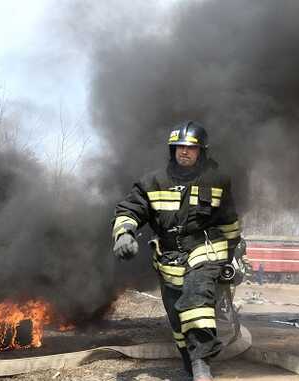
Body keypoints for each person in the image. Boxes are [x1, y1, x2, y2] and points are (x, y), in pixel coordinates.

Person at [112, 121, 242, 381]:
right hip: (168, 257)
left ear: (201, 152)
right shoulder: (153, 182)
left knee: (195, 301)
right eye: (179, 147)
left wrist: (231, 259)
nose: (184, 152)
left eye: (190, 148)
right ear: (172, 150)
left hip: (205, 249)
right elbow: (130, 210)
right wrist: (124, 233)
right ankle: (190, 365)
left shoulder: (217, 181)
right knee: (177, 318)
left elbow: (229, 223)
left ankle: (202, 365)